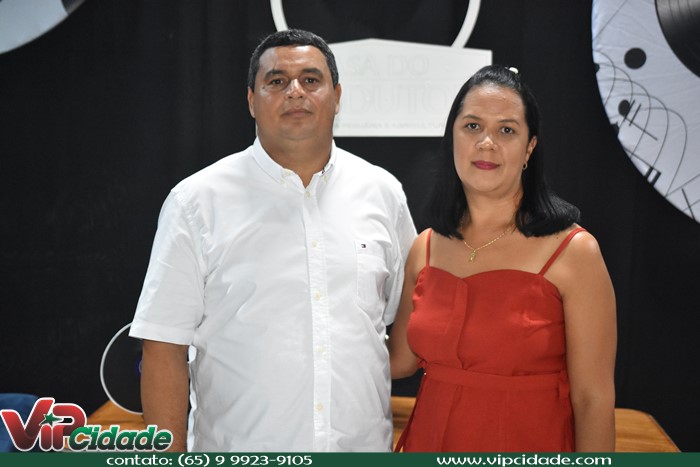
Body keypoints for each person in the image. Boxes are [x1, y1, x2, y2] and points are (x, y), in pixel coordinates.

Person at [129, 29, 416, 452]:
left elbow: (404, 330)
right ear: (251, 100)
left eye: (311, 80)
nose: (295, 91)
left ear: (337, 96)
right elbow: (162, 347)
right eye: (277, 81)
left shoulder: (383, 193)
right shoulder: (197, 202)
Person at [388, 65, 617, 452]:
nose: (486, 143)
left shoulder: (574, 252)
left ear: (529, 148)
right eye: (472, 126)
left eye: (506, 130)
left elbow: (592, 399)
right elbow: (399, 361)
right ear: (452, 137)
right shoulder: (424, 247)